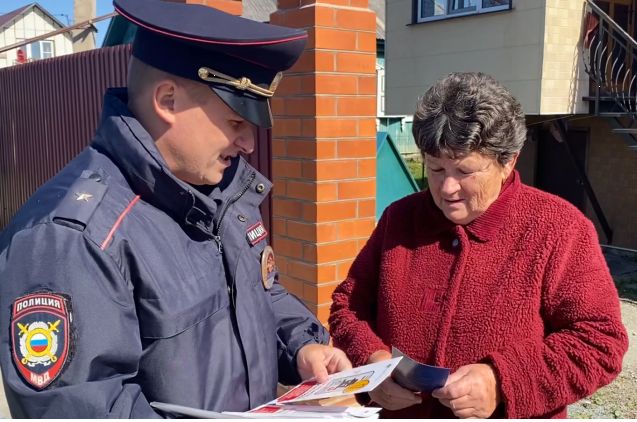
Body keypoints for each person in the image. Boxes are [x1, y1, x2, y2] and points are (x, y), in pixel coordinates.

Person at [0, 0, 351, 417]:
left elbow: (260, 291)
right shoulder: (71, 239)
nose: (248, 144)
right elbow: (82, 406)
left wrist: (301, 345)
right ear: (167, 101)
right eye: (236, 122)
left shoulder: (220, 191)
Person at [328, 72, 628, 419]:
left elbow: (599, 342)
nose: (447, 188)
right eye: (435, 168)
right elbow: (348, 307)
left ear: (508, 161)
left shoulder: (558, 228)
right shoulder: (400, 218)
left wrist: (501, 382)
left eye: (464, 171)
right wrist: (372, 364)